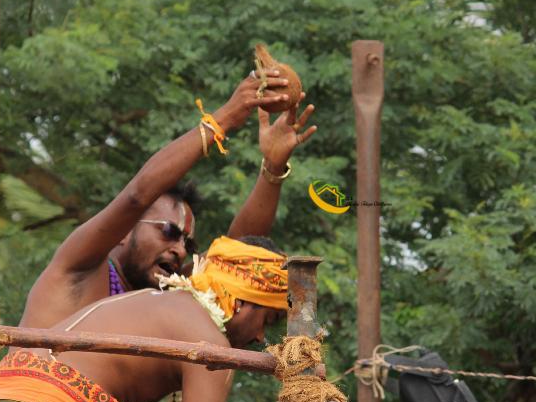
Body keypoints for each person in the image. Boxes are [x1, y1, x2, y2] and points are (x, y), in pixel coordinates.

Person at [19, 70, 316, 331]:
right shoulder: (82, 264)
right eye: (169, 232)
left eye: (188, 244)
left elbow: (236, 260)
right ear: (124, 230)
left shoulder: (160, 298)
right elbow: (137, 197)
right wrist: (222, 120)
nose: (179, 250)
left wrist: (273, 169)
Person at [0, 235, 290, 402]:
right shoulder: (211, 348)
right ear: (240, 301)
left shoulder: (157, 302)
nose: (261, 336)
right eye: (269, 319)